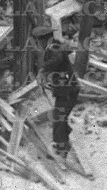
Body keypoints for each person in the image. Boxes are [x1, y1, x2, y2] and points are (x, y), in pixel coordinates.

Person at [33, 24, 79, 158]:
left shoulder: (54, 48)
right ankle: (64, 140)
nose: (38, 44)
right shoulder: (55, 46)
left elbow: (57, 59)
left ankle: (61, 149)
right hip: (68, 89)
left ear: (43, 39)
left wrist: (43, 70)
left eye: (38, 41)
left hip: (66, 91)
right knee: (60, 118)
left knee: (58, 118)